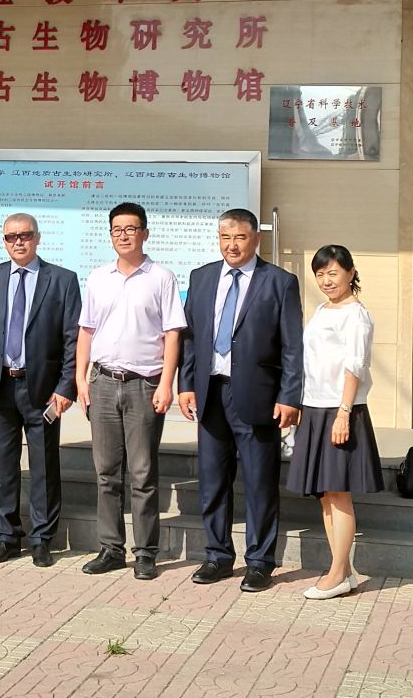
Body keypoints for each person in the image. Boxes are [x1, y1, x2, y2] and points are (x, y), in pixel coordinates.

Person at [178, 208, 302, 592]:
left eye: (240, 238)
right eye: (225, 237)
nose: (231, 245)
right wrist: (186, 384)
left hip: (257, 395)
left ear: (256, 239)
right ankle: (217, 555)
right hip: (210, 392)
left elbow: (292, 346)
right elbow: (190, 337)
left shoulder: (279, 282)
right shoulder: (201, 278)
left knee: (260, 483)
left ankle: (260, 562)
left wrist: (290, 396)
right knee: (212, 481)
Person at [76, 202, 185, 580]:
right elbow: (86, 330)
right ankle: (110, 549)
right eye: (117, 229)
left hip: (144, 385)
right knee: (106, 472)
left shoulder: (161, 277)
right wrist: (80, 379)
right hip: (103, 383)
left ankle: (145, 552)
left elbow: (173, 334)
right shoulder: (98, 278)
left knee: (142, 473)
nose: (123, 235)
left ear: (145, 233)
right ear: (110, 235)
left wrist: (167, 383)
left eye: (131, 229)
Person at [0, 213, 81, 568]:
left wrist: (66, 387)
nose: (18, 241)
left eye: (25, 235)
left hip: (43, 390)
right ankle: (7, 537)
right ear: (4, 241)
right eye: (11, 236)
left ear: (38, 237)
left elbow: (72, 339)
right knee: (3, 466)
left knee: (44, 466)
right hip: (0, 386)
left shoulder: (62, 280)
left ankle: (42, 538)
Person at [286, 243, 381, 600]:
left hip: (341, 410)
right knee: (326, 495)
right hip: (315, 407)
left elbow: (354, 365)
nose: (326, 280)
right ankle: (344, 570)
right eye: (320, 274)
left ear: (350, 273)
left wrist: (343, 412)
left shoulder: (355, 315)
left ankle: (338, 572)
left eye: (333, 273)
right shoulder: (323, 309)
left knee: (339, 493)